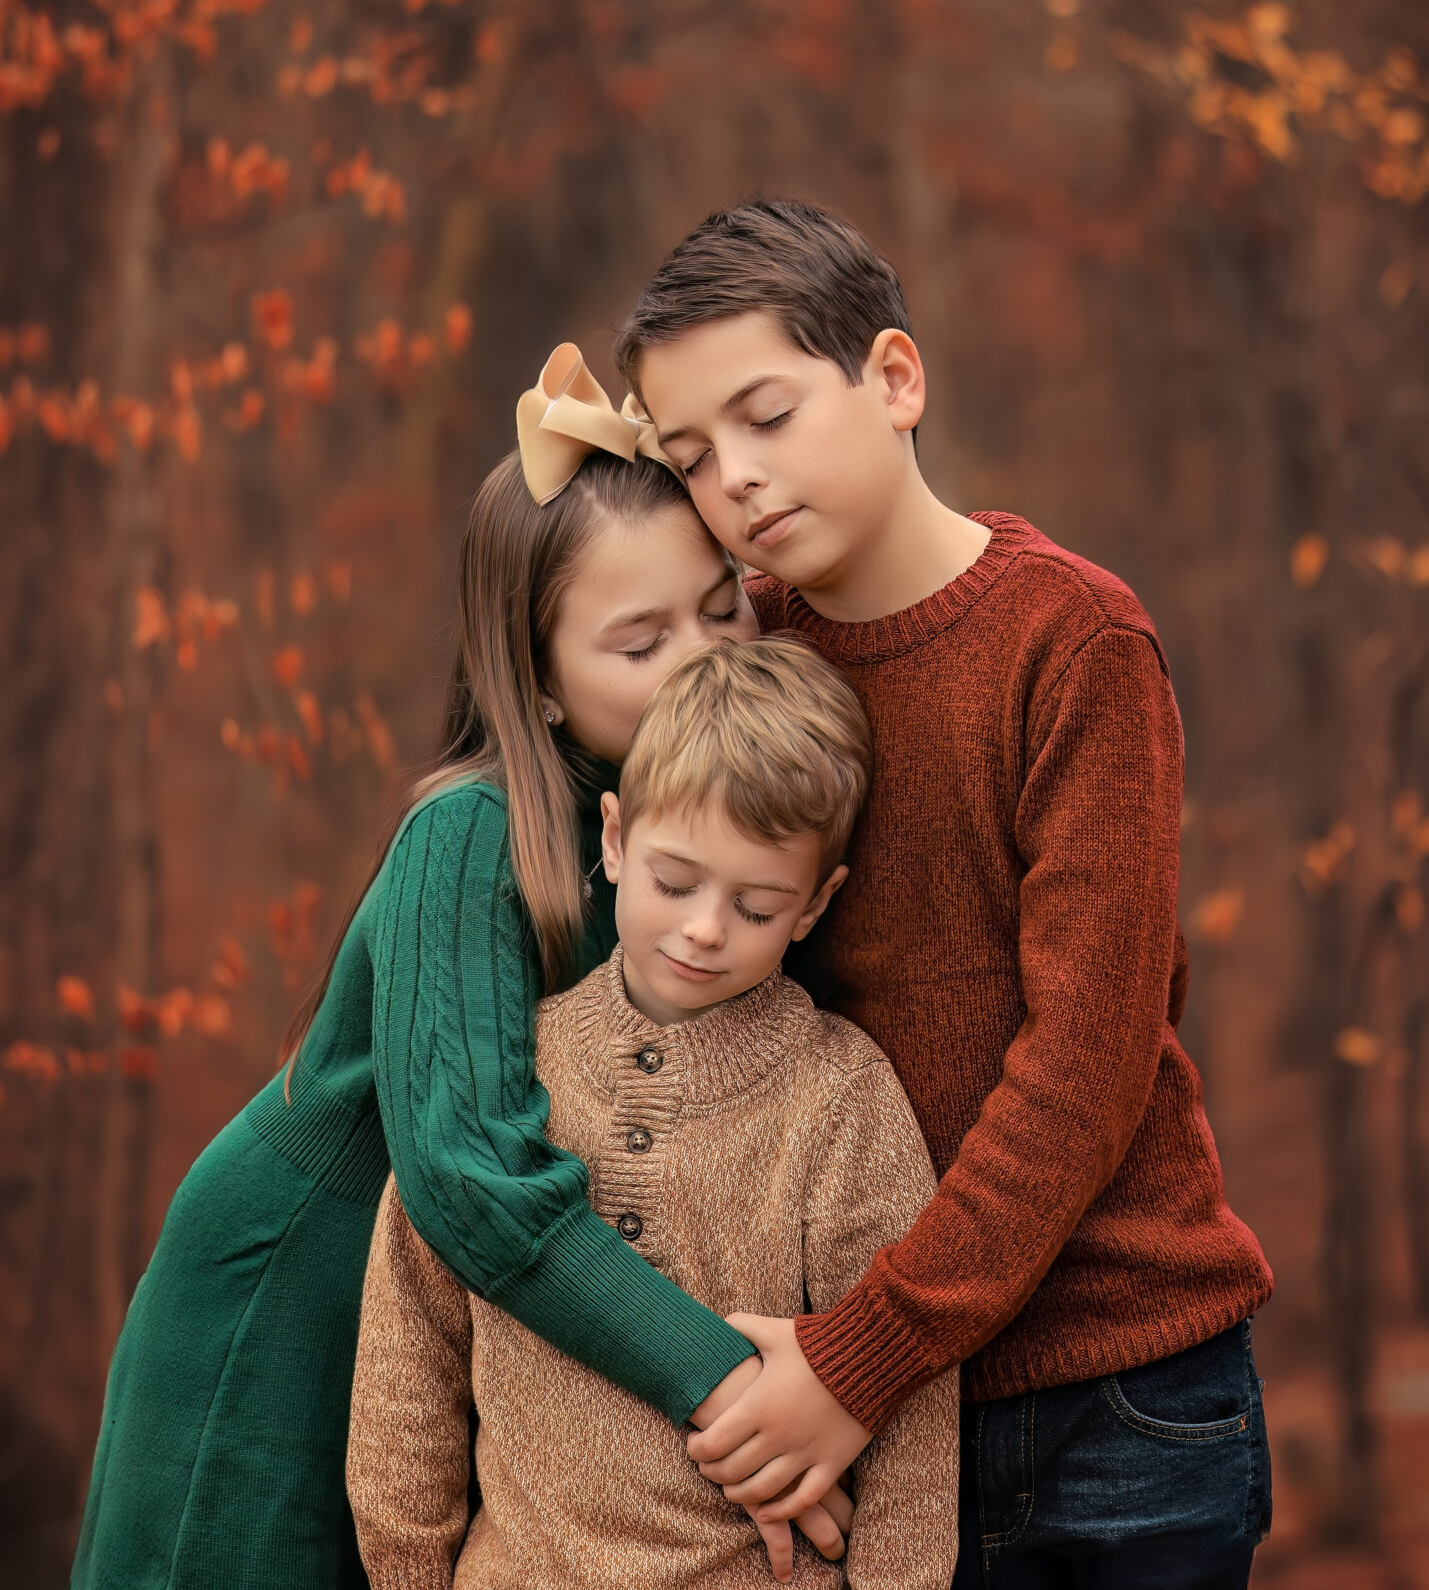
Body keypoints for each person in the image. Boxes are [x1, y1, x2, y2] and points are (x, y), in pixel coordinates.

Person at [72, 345, 846, 1590]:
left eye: (721, 606)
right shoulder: (475, 833)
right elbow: (476, 1182)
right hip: (288, 1312)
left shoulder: (707, 846)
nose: (704, 661)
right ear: (537, 684)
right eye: (640, 642)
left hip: (458, 1346)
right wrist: (734, 1383)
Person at [614, 200, 1276, 1588]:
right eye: (691, 457)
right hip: (873, 1410)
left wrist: (864, 1354)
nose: (732, 477)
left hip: (1118, 1388)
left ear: (895, 380)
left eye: (766, 414)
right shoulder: (743, 674)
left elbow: (1084, 1066)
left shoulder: (1071, 641)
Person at [347, 637, 960, 1589]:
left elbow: (913, 1431)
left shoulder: (839, 1099)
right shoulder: (512, 1083)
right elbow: (408, 1363)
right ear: (615, 838)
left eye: (756, 906)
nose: (705, 928)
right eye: (675, 882)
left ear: (814, 905)